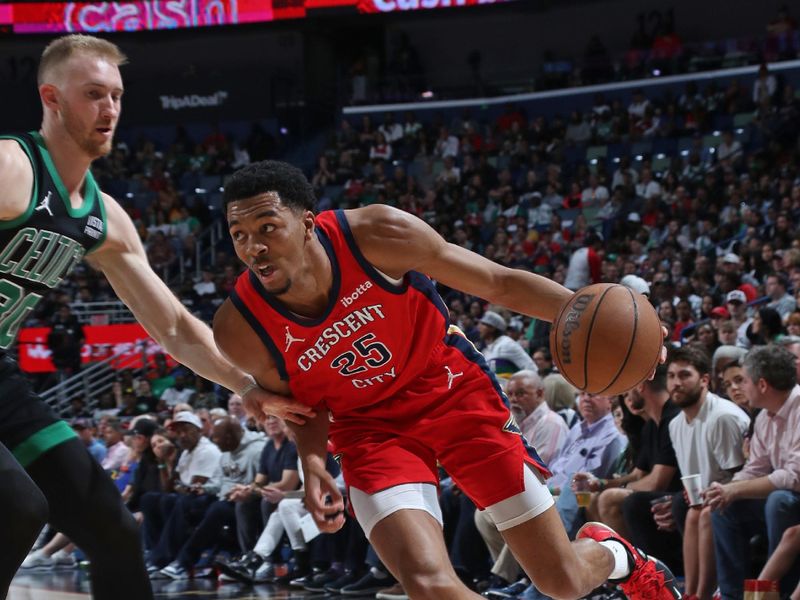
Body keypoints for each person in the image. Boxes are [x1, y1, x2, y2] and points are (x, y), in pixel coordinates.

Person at [212, 161, 680, 600]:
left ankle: (619, 555)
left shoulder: (376, 234)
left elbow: (498, 282)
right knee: (429, 584)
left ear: (308, 223)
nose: (254, 247)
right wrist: (313, 463)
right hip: (368, 429)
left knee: (563, 581)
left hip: (452, 389)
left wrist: (614, 327)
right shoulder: (241, 328)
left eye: (267, 228)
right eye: (239, 235)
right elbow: (304, 407)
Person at [0, 35, 309, 599]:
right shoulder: (10, 167)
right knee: (17, 508)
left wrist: (246, 385)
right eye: (93, 94)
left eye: (116, 95)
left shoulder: (104, 217)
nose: (110, 108)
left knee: (112, 527)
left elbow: (173, 326)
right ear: (52, 98)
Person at [705, 345, 800, 600]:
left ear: (762, 385)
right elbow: (755, 467)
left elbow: (794, 477)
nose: (741, 388)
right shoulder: (765, 417)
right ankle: (732, 595)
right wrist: (725, 491)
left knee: (779, 502)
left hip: (792, 498)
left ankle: (778, 593)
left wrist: (734, 488)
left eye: (744, 380)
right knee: (723, 506)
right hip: (784, 497)